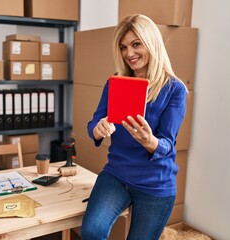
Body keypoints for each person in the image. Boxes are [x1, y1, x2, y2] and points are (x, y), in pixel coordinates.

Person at [81, 14, 188, 240]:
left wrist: (150, 142)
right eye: (123, 47)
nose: (129, 53)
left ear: (151, 43)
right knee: (92, 231)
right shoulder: (115, 83)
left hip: (155, 183)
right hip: (117, 174)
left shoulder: (175, 89)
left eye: (136, 44)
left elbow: (167, 143)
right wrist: (96, 129)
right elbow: (94, 122)